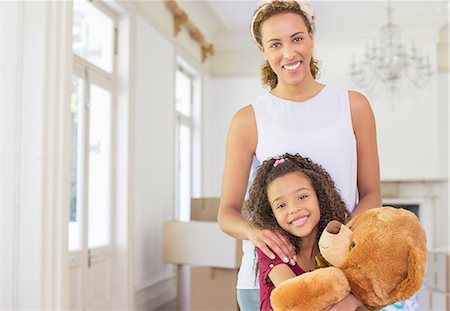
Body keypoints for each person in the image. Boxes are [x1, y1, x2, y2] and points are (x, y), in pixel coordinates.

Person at [217, 1, 381, 310]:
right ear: (264, 51)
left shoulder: (354, 106)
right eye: (275, 44)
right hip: (268, 286)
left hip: (339, 278)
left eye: (297, 38)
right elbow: (226, 213)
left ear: (311, 38)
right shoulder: (247, 120)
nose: (289, 53)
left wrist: (337, 239)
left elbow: (372, 195)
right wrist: (255, 232)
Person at [246, 153, 371, 310]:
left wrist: (354, 302)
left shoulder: (336, 247)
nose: (294, 209)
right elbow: (300, 301)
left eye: (302, 196)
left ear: (319, 197)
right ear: (272, 214)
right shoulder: (272, 248)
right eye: (281, 206)